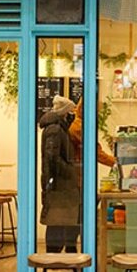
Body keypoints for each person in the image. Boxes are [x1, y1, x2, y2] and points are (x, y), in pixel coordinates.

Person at [39, 95, 81, 253]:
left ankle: (56, 254)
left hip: (57, 182)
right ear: (64, 113)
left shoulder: (55, 128)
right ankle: (53, 255)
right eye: (70, 112)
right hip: (58, 183)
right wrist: (70, 170)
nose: (72, 115)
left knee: (58, 219)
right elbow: (52, 158)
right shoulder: (55, 129)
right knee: (56, 219)